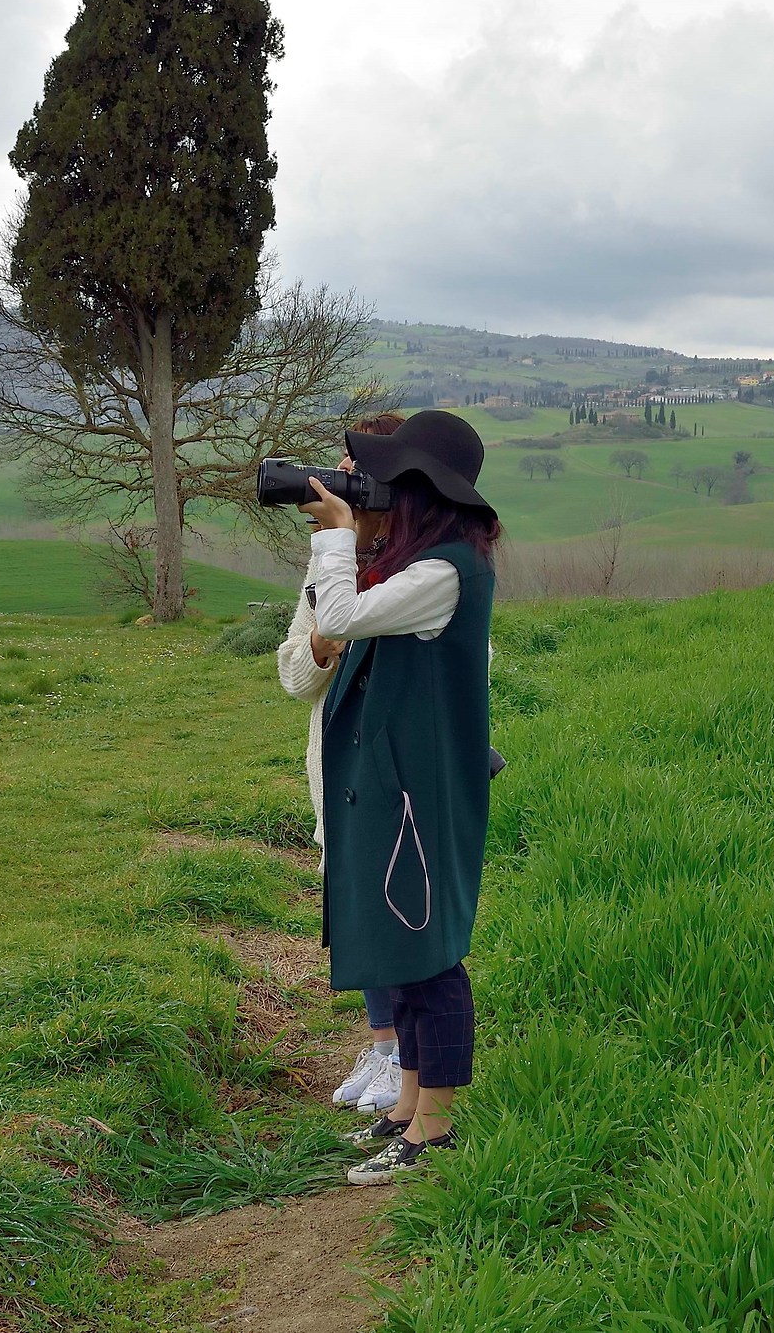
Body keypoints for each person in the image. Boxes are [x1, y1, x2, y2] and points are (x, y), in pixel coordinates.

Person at [298, 409, 499, 1186]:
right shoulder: (432, 563)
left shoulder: (446, 571)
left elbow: (339, 617)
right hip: (402, 783)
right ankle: (408, 1105)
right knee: (406, 948)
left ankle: (436, 1129)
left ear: (421, 491)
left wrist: (336, 534)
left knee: (431, 956)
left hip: (422, 789)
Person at [274, 413, 407, 1116]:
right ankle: (382, 1044)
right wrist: (324, 646)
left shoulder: (419, 563)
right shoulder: (328, 560)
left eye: (355, 475)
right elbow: (295, 676)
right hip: (336, 767)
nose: (340, 486)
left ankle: (408, 1057)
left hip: (390, 769)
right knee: (354, 908)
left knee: (396, 908)